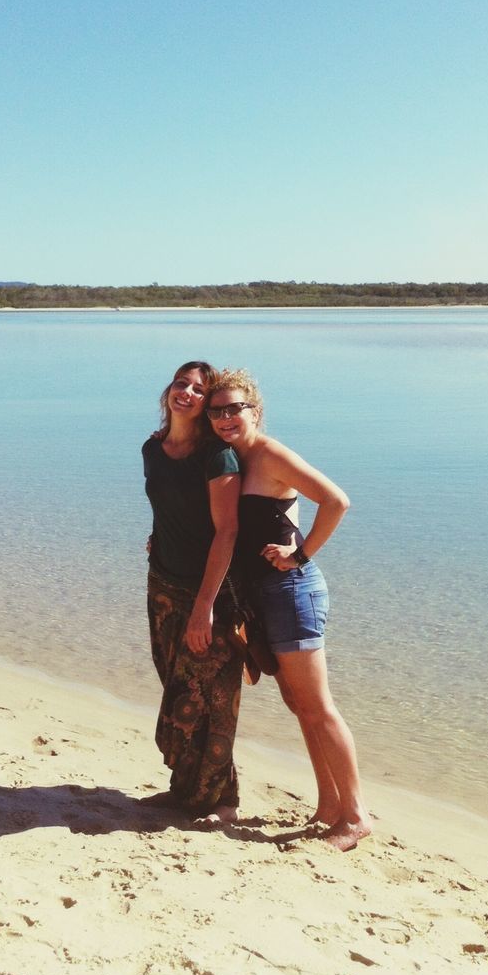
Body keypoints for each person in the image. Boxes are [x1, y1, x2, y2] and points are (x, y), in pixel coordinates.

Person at [206, 368, 372, 850]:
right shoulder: (232, 458)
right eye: (217, 411)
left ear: (254, 411)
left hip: (294, 590)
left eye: (234, 408)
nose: (224, 418)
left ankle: (356, 814)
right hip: (264, 596)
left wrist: (299, 555)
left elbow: (336, 501)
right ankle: (328, 805)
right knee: (298, 705)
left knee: (318, 707)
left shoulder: (271, 455)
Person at [142, 361, 243, 825]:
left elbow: (226, 533)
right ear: (169, 390)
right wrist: (159, 538)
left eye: (199, 390)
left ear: (206, 405)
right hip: (161, 583)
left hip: (209, 593)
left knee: (210, 699)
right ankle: (185, 789)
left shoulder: (215, 457)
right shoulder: (152, 448)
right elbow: (168, 508)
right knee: (176, 691)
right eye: (181, 383)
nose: (186, 392)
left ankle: (223, 800)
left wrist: (205, 608)